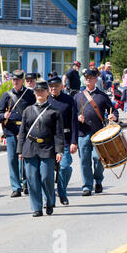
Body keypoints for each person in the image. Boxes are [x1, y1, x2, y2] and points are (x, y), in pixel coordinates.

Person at [17, 81, 64, 217]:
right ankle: (36, 207)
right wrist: (20, 150)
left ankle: (49, 201)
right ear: (34, 93)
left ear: (47, 93)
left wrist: (59, 150)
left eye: (43, 91)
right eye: (37, 91)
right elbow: (22, 132)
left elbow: (58, 133)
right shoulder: (28, 110)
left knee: (46, 177)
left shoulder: (54, 112)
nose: (40, 94)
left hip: (47, 148)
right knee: (32, 179)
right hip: (30, 147)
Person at [0, 70, 36, 197]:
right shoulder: (7, 95)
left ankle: (27, 183)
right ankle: (16, 187)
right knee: (12, 159)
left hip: (25, 130)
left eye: (18, 80)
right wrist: (2, 115)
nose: (15, 82)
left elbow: (35, 110)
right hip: (11, 130)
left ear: (22, 80)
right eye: (13, 80)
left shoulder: (30, 94)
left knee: (26, 158)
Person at [74, 69, 118, 196]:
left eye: (91, 78)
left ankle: (98, 180)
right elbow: (72, 114)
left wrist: (113, 116)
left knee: (98, 159)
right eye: (86, 78)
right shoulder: (78, 96)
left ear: (95, 79)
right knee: (84, 160)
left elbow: (113, 110)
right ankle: (87, 186)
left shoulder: (102, 96)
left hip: (98, 133)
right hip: (83, 133)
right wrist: (77, 117)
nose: (88, 79)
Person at [47, 76, 79, 205]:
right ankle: (49, 199)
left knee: (65, 167)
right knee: (47, 171)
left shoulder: (69, 100)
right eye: (51, 86)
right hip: (48, 140)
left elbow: (74, 122)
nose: (53, 88)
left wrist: (74, 141)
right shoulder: (45, 100)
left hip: (65, 139)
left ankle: (61, 191)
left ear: (61, 86)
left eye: (56, 86)